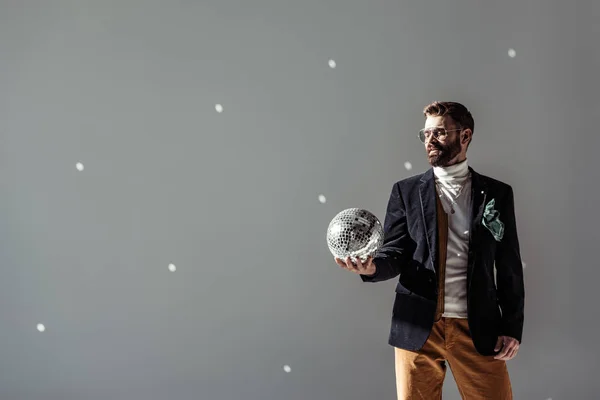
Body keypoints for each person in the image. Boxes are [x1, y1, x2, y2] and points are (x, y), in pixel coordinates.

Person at [335, 101, 524, 399]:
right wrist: (371, 268)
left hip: (477, 327)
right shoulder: (405, 191)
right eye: (425, 135)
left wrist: (512, 326)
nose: (429, 141)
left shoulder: (497, 193)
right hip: (417, 325)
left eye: (439, 133)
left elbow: (509, 263)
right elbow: (394, 252)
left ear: (464, 136)